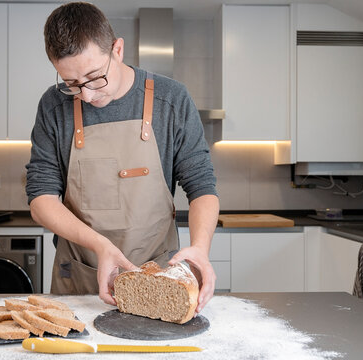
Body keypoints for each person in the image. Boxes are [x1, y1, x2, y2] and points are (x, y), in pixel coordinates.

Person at [26, 2, 219, 314]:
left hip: (159, 279)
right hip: (80, 276)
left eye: (93, 77)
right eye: (72, 84)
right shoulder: (53, 106)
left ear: (117, 50)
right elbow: (41, 198)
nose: (86, 95)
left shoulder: (171, 100)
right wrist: (101, 246)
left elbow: (202, 187)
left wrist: (200, 248)